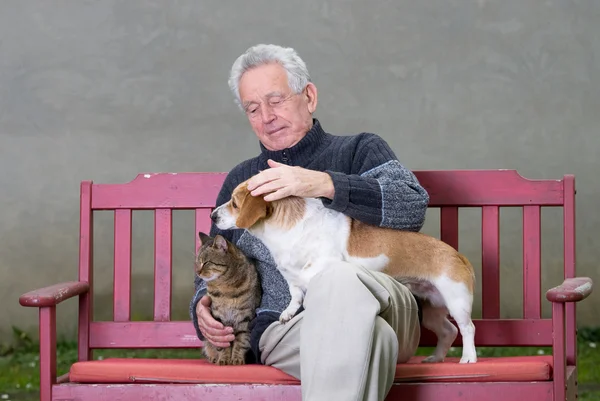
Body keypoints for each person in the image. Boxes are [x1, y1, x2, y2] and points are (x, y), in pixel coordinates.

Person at [189, 43, 430, 401]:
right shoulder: (243, 182)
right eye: (252, 109)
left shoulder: (359, 150)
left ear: (309, 96)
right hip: (290, 327)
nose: (266, 116)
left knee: (335, 276)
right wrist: (201, 307)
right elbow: (214, 266)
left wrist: (324, 184)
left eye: (276, 100)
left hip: (389, 306)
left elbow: (411, 207)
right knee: (373, 341)